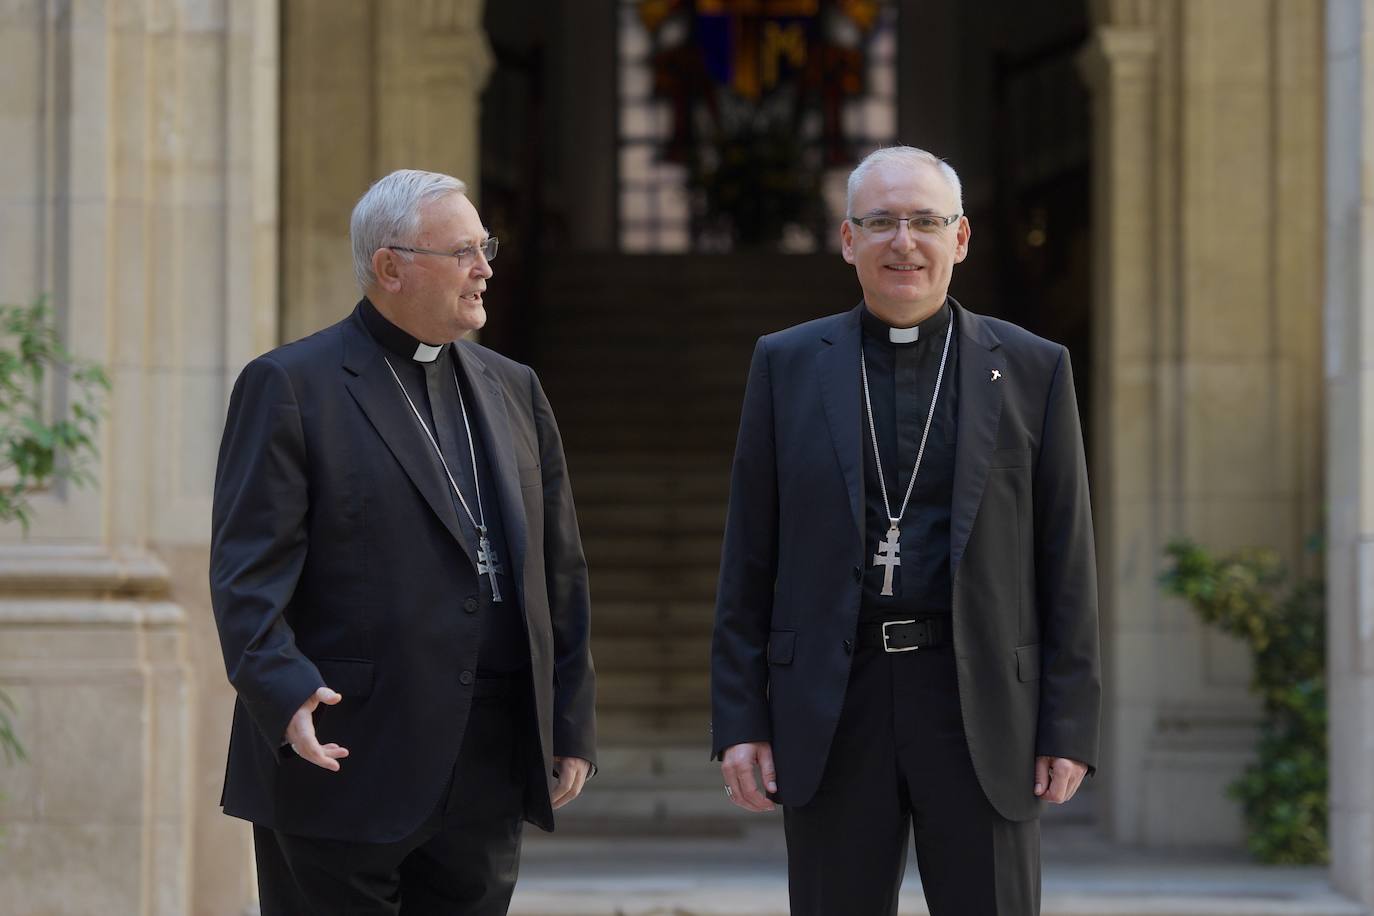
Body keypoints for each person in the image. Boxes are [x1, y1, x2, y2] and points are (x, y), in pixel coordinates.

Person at [710, 146, 1099, 915]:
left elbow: (1067, 560)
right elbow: (748, 557)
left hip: (982, 701)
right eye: (881, 221)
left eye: (925, 221)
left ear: (960, 238)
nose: (903, 241)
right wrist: (741, 719)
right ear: (848, 240)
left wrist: (1071, 722)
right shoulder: (786, 364)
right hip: (834, 699)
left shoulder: (1032, 368)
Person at [209, 168, 596, 915]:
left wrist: (569, 720)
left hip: (483, 766)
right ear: (390, 267)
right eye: (463, 252)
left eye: (486, 247)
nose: (485, 268)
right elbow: (246, 576)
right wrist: (282, 694)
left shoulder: (515, 387)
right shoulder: (290, 385)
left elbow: (561, 572)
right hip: (341, 756)